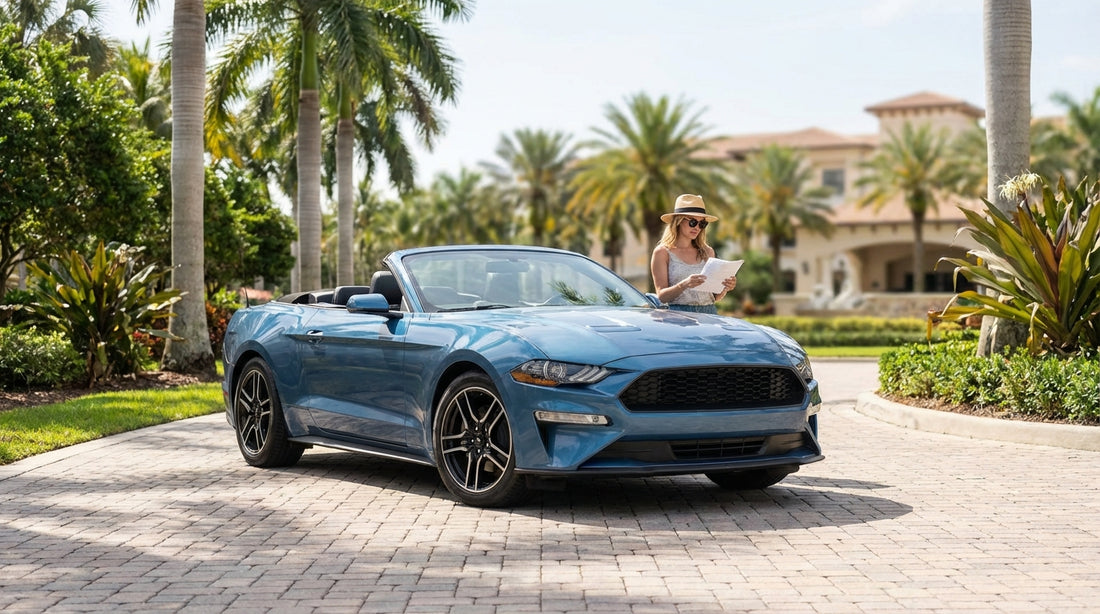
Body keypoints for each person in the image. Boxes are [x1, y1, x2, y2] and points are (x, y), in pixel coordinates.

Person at [650, 194, 737, 314]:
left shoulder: (707, 252)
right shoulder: (662, 252)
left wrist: (725, 288)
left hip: (709, 314)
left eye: (702, 224)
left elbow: (713, 297)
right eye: (693, 222)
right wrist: (684, 284)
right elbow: (661, 296)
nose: (697, 227)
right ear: (679, 221)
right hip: (678, 316)